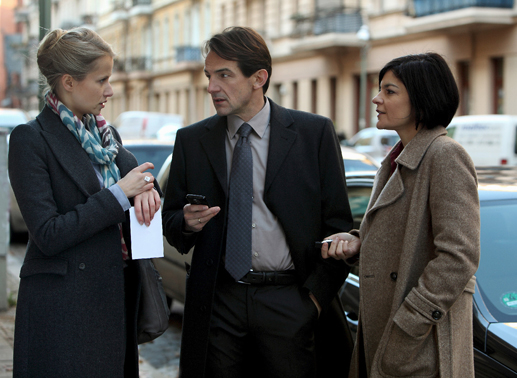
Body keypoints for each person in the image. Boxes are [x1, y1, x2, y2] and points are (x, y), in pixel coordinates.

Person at [162, 26, 354, 378]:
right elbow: (170, 222)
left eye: (224, 75)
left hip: (290, 299)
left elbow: (338, 226)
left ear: (258, 78)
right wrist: (185, 223)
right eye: (208, 75)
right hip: (219, 302)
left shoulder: (313, 135)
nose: (211, 87)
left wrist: (312, 301)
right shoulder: (191, 141)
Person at [8, 27, 161, 378]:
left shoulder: (106, 135)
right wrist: (120, 194)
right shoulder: (30, 140)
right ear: (68, 82)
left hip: (115, 300)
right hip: (63, 310)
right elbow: (47, 233)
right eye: (101, 79)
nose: (109, 90)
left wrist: (148, 188)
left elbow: (137, 184)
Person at [321, 53, 480, 377]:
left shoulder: (444, 156)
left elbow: (459, 256)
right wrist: (357, 243)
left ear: (421, 100)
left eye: (390, 91)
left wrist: (409, 322)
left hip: (420, 346)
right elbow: (400, 237)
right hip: (389, 334)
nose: (377, 99)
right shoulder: (396, 161)